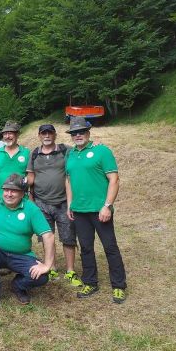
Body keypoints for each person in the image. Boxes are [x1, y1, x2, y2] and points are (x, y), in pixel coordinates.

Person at [65, 117, 127, 304]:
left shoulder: (102, 151)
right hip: (80, 210)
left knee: (110, 247)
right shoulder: (71, 155)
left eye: (81, 132)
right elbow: (68, 181)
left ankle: (118, 286)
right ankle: (90, 282)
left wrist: (107, 206)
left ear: (88, 132)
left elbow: (114, 180)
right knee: (86, 248)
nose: (78, 135)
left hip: (100, 210)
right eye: (74, 133)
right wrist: (70, 204)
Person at [0, 173, 55, 308]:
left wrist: (47, 264)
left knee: (42, 277)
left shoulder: (31, 209)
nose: (9, 194)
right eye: (6, 190)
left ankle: (18, 285)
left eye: (14, 191)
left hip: (21, 255)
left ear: (23, 193)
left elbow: (48, 235)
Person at [26, 124, 83, 286]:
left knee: (68, 238)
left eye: (50, 133)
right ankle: (50, 267)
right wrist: (24, 189)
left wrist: (95, 145)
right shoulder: (34, 154)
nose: (47, 136)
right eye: (43, 133)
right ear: (39, 136)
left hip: (64, 202)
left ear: (55, 135)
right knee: (46, 237)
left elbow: (82, 152)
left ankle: (70, 271)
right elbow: (31, 177)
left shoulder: (66, 150)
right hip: (41, 203)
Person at [0, 121, 30, 197]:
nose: (7, 136)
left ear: (17, 135)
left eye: (10, 133)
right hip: (0, 196)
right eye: (5, 134)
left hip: (20, 196)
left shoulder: (26, 153)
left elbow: (30, 175)